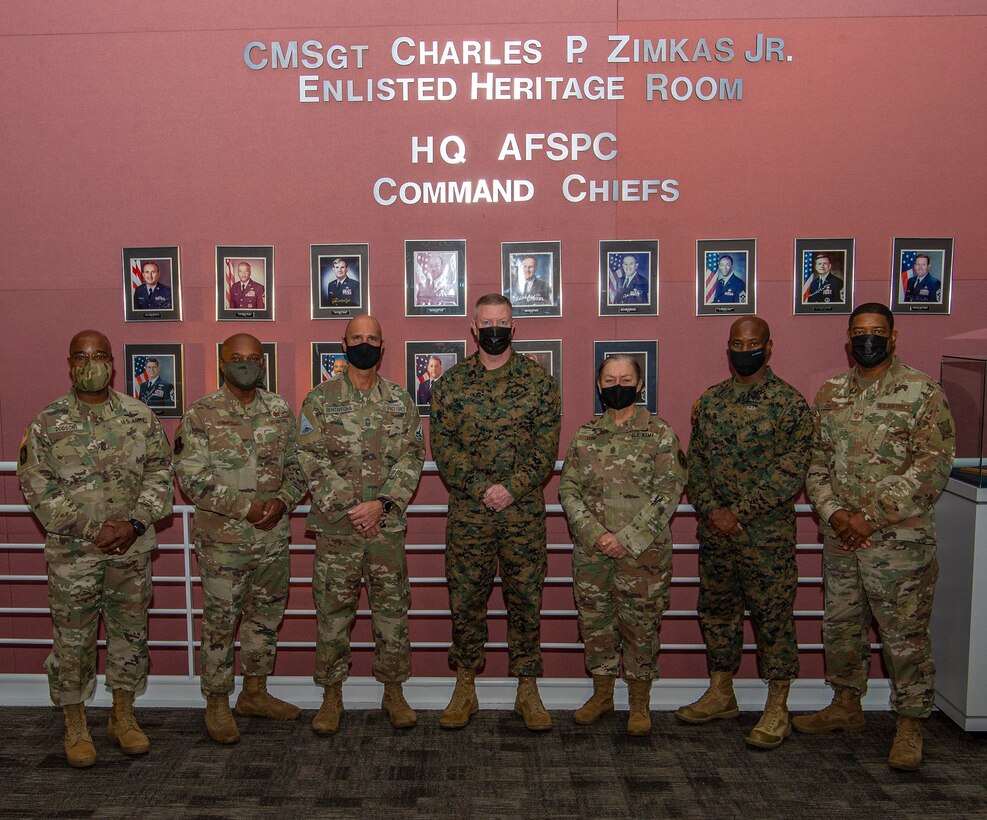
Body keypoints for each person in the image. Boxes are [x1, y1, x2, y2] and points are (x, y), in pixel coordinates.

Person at [794, 302, 954, 771]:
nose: (868, 339)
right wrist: (835, 512)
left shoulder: (922, 391)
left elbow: (932, 466)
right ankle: (846, 706)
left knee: (903, 636)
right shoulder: (830, 394)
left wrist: (871, 517)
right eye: (860, 332)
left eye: (877, 331)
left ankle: (910, 723)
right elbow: (815, 462)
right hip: (841, 537)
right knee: (841, 626)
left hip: (898, 542)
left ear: (893, 336)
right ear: (848, 338)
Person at [18, 329, 173, 768]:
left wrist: (135, 523)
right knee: (74, 640)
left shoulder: (140, 416)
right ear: (69, 364)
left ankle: (123, 716)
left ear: (113, 362)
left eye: (99, 355)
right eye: (81, 356)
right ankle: (76, 722)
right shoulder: (47, 423)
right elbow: (37, 487)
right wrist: (91, 528)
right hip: (74, 554)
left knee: (129, 634)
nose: (91, 362)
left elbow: (161, 473)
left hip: (131, 548)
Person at [675, 316, 812, 750]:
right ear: (728, 347)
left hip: (765, 535)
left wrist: (740, 512)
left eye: (753, 343)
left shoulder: (789, 403)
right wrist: (714, 510)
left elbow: (792, 470)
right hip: (716, 534)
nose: (745, 349)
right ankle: (722, 691)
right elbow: (694, 463)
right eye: (738, 342)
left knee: (772, 618)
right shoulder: (711, 402)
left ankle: (777, 706)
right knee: (717, 612)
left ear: (768, 348)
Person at [430, 293, 561, 731]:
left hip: (522, 515)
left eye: (501, 321)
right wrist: (483, 488)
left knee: (526, 601)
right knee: (465, 601)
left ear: (514, 326)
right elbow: (443, 448)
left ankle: (528, 689)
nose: (494, 328)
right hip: (470, 515)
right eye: (486, 321)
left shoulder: (539, 383)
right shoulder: (451, 385)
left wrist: (512, 489)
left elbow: (545, 451)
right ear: (473, 327)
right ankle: (465, 687)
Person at [173, 333, 305, 744]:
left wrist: (283, 501)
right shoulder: (201, 414)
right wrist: (245, 508)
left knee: (265, 620)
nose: (245, 364)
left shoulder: (280, 410)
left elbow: (300, 466)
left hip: (272, 540)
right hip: (224, 543)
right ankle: (216, 701)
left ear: (263, 364)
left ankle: (254, 692)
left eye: (253, 358)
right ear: (221, 362)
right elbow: (192, 478)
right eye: (237, 358)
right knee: (220, 625)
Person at [297, 315, 425, 734]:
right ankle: (332, 696)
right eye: (357, 338)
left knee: (392, 613)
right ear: (344, 343)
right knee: (333, 616)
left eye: (372, 337)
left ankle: (394, 692)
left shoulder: (401, 401)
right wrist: (357, 507)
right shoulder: (320, 399)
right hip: (339, 528)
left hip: (385, 528)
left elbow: (411, 456)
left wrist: (382, 506)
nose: (364, 344)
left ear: (382, 346)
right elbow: (310, 459)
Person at [559, 354, 686, 735]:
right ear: (599, 386)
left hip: (643, 555)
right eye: (610, 379)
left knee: (641, 628)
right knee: (595, 625)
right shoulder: (585, 435)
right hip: (592, 552)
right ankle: (601, 695)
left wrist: (626, 539)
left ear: (641, 385)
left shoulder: (661, 434)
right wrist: (596, 534)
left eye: (626, 378)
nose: (618, 385)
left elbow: (670, 491)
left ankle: (639, 704)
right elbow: (568, 488)